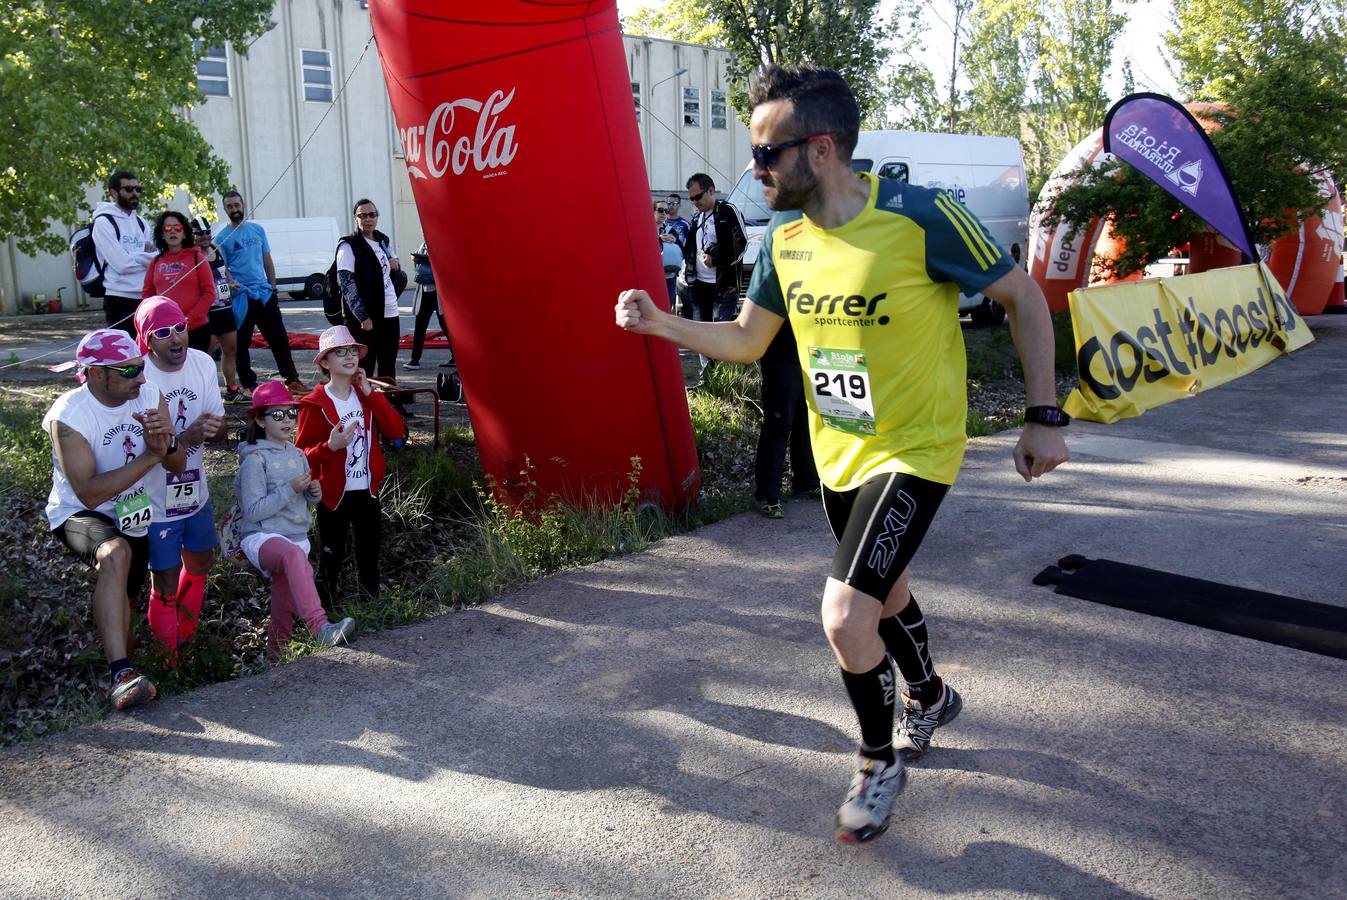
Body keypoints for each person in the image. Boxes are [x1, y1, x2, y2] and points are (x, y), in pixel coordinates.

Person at [615, 65, 1070, 844]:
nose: (755, 169)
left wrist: (1041, 417)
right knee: (883, 598)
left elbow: (1022, 296)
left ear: (820, 149)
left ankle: (874, 761)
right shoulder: (785, 241)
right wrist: (662, 324)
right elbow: (748, 339)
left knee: (844, 614)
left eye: (767, 153)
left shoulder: (920, 217)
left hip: (915, 448)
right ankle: (930, 695)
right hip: (839, 453)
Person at [43, 329, 188, 711]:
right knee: (114, 554)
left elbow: (178, 464)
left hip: (132, 509)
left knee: (129, 597)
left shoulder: (149, 394)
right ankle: (120, 674)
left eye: (140, 367)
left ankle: (131, 673)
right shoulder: (69, 416)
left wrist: (167, 443)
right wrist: (151, 456)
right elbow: (89, 493)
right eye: (128, 371)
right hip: (79, 512)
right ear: (95, 373)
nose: (140, 377)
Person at [236, 382, 357, 656]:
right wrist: (290, 489)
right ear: (260, 420)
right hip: (262, 536)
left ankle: (275, 657)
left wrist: (313, 494)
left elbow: (303, 502)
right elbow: (253, 510)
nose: (287, 420)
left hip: (296, 537)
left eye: (292, 413)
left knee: (283, 605)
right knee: (291, 556)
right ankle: (320, 627)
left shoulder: (298, 454)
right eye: (278, 415)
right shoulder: (254, 460)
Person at [135, 298, 228, 653]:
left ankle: (185, 634)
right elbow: (146, 450)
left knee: (201, 560)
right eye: (162, 332)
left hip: (195, 489)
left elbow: (219, 427)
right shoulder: (139, 376)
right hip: (152, 497)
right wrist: (185, 439)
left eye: (180, 328)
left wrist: (216, 429)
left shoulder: (202, 362)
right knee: (165, 577)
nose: (175, 338)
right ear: (146, 340)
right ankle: (167, 657)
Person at [296, 325, 406, 607]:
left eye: (353, 351)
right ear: (324, 362)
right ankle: (323, 616)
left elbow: (396, 431)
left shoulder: (366, 396)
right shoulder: (314, 404)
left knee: (369, 557)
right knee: (330, 558)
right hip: (333, 495)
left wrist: (371, 394)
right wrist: (329, 447)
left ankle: (371, 610)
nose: (349, 357)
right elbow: (299, 457)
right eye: (340, 352)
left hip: (367, 490)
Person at [215, 191, 305, 396]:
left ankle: (292, 379)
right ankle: (249, 384)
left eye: (237, 205)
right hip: (242, 297)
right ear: (225, 209)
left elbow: (267, 260)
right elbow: (222, 268)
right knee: (241, 344)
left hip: (264, 294)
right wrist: (232, 282)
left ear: (243, 205)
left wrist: (273, 288)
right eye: (230, 206)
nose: (234, 209)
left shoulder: (258, 230)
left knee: (279, 338)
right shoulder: (222, 238)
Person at [754, 317, 817, 519]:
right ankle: (768, 494)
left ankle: (806, 482)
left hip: (810, 353)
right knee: (778, 425)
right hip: (779, 354)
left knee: (805, 420)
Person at [336, 199, 405, 381]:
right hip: (367, 316)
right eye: (363, 215)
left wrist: (396, 264)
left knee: (388, 363)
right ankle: (362, 398)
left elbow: (394, 267)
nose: (368, 219)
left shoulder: (383, 240)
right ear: (355, 218)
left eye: (372, 215)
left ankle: (388, 398)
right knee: (364, 366)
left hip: (390, 311)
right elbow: (347, 284)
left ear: (377, 217)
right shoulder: (348, 245)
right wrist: (363, 316)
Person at [91, 170, 155, 336]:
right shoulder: (104, 222)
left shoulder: (141, 222)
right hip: (119, 299)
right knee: (125, 351)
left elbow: (156, 260)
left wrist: (130, 254)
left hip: (145, 297)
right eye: (128, 189)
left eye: (138, 189)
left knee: (148, 349)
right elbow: (122, 265)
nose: (134, 193)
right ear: (114, 193)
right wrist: (143, 256)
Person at [142, 211, 214, 352]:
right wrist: (155, 319)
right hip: (165, 332)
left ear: (184, 233)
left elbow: (209, 293)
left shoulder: (197, 258)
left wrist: (188, 319)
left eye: (178, 228)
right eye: (167, 228)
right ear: (162, 234)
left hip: (196, 329)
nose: (173, 231)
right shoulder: (155, 262)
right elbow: (147, 296)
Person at [191, 216, 245, 400]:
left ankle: (231, 390)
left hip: (225, 309)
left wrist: (231, 281)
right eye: (200, 233)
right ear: (192, 235)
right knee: (203, 356)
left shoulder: (215, 248)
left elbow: (224, 271)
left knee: (230, 350)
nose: (205, 236)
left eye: (207, 232)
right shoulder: (192, 256)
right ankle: (202, 394)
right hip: (207, 313)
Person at [405, 240, 448, 370]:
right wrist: (416, 258)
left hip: (437, 291)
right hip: (425, 290)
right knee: (421, 325)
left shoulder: (439, 242)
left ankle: (415, 360)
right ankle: (414, 359)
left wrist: (428, 260)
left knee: (444, 326)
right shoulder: (423, 244)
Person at [655, 203, 682, 306]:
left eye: (666, 211)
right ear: (652, 211)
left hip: (669, 274)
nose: (663, 213)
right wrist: (659, 239)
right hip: (652, 274)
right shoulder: (646, 228)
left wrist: (675, 241)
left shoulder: (671, 230)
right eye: (660, 210)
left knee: (667, 305)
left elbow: (681, 251)